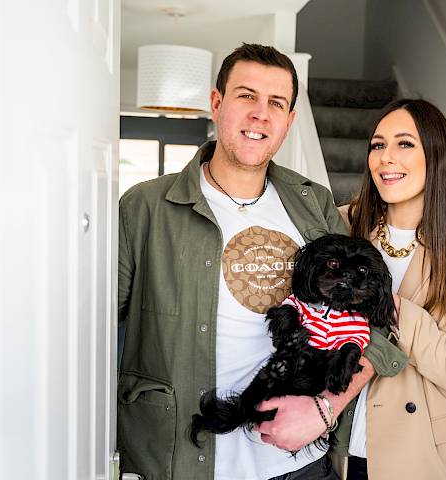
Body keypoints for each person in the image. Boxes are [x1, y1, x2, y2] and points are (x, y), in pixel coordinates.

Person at [116, 44, 407, 480]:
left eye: (276, 103)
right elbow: (86, 338)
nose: (260, 114)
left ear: (290, 121)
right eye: (246, 96)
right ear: (217, 104)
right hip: (180, 459)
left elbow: (373, 324)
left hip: (301, 465)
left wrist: (325, 410)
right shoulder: (146, 208)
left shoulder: (314, 203)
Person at [333, 99, 446, 479]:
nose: (385, 158)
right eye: (378, 145)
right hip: (338, 446)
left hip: (419, 455)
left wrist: (395, 309)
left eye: (404, 144)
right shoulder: (345, 227)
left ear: (436, 155)